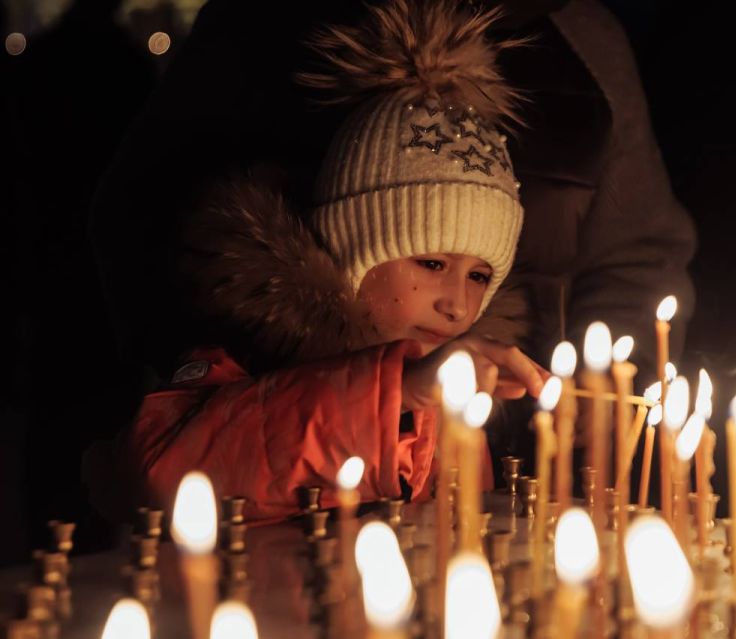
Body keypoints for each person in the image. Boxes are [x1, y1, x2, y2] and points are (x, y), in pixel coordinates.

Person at [115, 0, 547, 521]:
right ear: (354, 246)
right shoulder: (248, 352)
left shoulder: (454, 408)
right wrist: (397, 392)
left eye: (480, 275)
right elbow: (162, 474)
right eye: (431, 263)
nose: (458, 304)